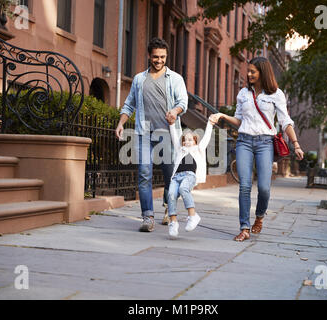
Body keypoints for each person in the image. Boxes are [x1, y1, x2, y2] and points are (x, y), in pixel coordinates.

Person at [209, 57, 304, 242]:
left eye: (253, 71)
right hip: (244, 141)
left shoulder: (276, 94)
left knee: (264, 188)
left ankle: (259, 216)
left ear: (263, 72)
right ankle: (244, 228)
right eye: (249, 71)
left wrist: (296, 144)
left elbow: (285, 122)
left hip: (265, 143)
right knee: (245, 185)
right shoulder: (243, 93)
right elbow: (239, 121)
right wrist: (222, 116)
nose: (249, 74)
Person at [116, 38, 188, 232]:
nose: (159, 60)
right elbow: (129, 104)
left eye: (162, 57)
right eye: (155, 57)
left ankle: (168, 208)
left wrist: (175, 111)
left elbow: (183, 101)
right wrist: (121, 123)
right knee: (144, 174)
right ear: (149, 56)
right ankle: (147, 216)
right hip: (144, 133)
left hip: (168, 134)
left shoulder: (175, 79)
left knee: (170, 176)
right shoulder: (140, 79)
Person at [167, 120, 214, 237]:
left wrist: (210, 124)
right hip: (176, 177)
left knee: (183, 189)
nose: (187, 142)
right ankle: (173, 222)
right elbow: (174, 136)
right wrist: (171, 124)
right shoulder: (180, 150)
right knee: (171, 194)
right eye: (185, 140)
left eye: (190, 139)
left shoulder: (199, 149)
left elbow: (207, 137)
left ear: (195, 141)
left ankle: (193, 216)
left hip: (189, 175)